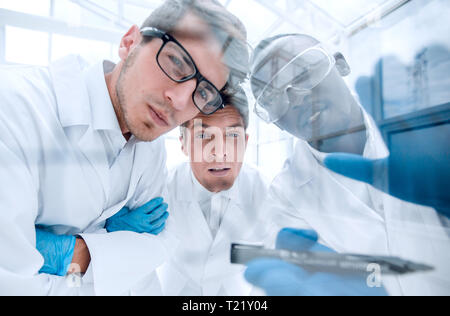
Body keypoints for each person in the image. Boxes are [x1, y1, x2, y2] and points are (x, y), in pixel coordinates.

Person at [0, 0, 249, 296]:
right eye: (176, 62)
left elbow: (152, 257)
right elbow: (12, 282)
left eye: (204, 92)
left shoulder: (150, 151)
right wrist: (105, 249)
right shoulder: (14, 108)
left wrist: (60, 249)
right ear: (130, 42)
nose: (181, 100)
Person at [245, 34, 450, 296]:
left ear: (339, 64)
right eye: (273, 98)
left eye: (303, 72)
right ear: (273, 121)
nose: (295, 99)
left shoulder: (428, 131)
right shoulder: (285, 197)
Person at [131, 87, 270, 295]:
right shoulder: (160, 191)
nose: (220, 153)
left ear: (246, 143)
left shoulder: (266, 192)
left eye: (232, 135)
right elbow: (137, 270)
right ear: (184, 144)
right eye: (204, 135)